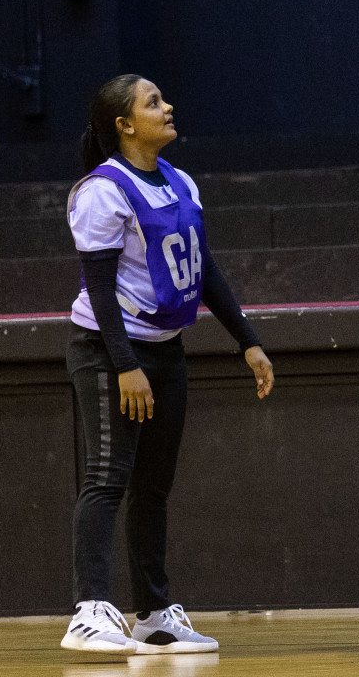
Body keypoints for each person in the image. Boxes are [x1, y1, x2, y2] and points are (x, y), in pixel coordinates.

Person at [61, 75, 275, 655]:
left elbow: (205, 271)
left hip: (165, 351)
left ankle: (155, 614)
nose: (168, 106)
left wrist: (247, 341)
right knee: (108, 476)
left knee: (153, 488)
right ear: (125, 125)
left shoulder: (181, 183)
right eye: (152, 102)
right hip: (109, 351)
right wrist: (125, 365)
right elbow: (101, 292)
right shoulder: (103, 191)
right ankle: (88, 612)